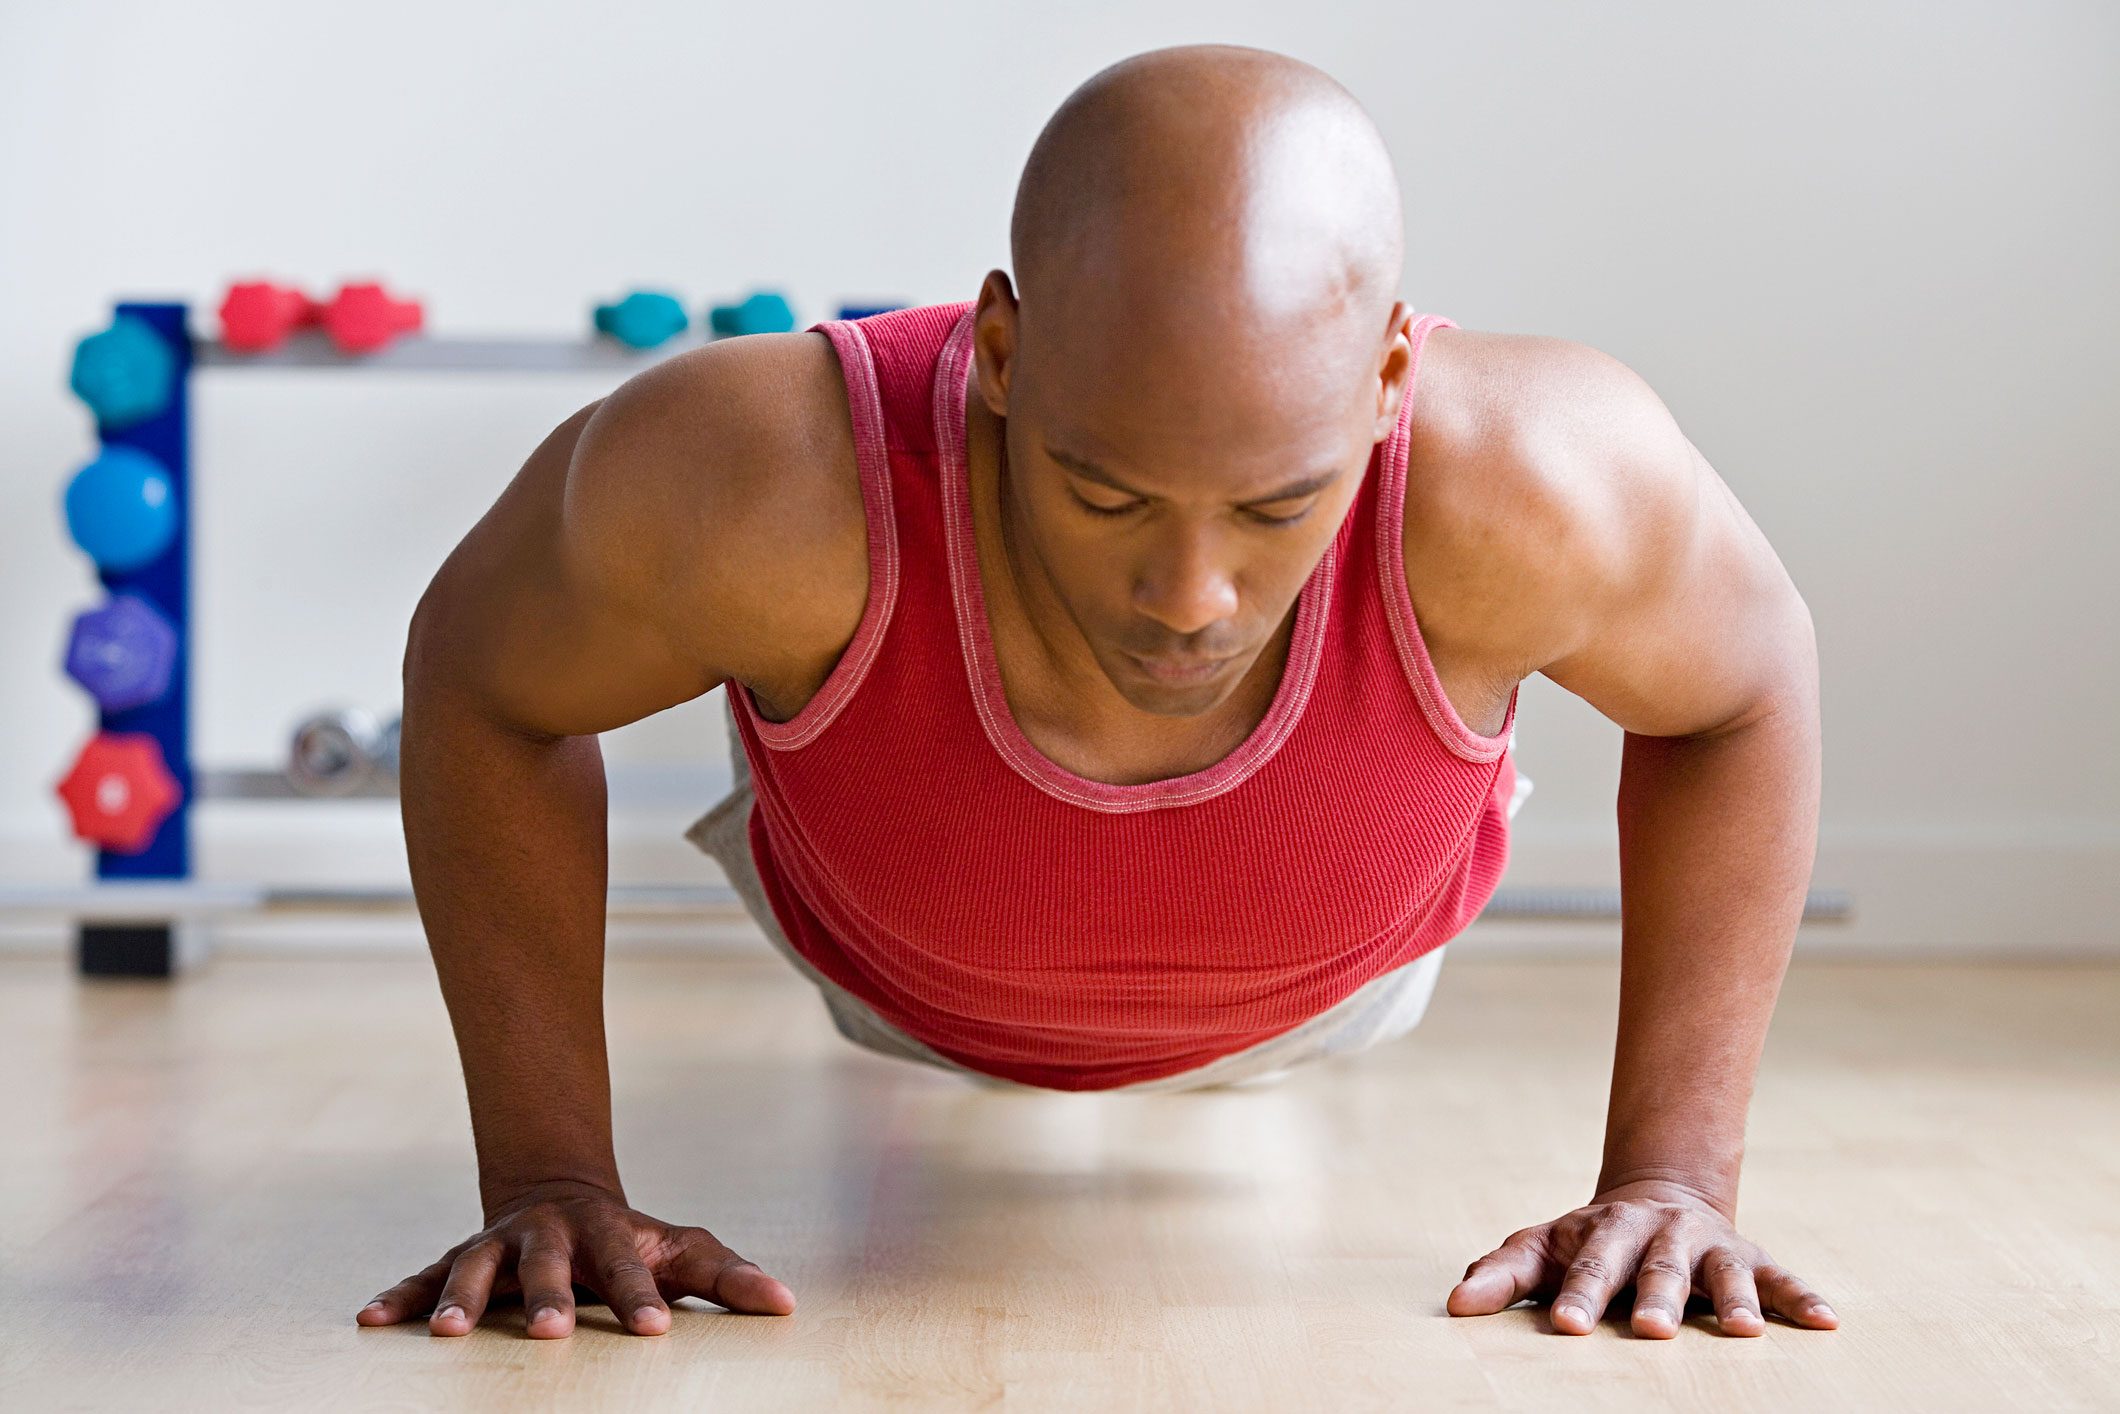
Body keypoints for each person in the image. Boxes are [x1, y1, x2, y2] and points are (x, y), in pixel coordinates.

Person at [357, 43, 1836, 1344]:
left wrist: (1674, 1175)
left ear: (1391, 382)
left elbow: (1742, 688)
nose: (1190, 597)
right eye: (1103, 490)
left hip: (1345, 981)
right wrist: (549, 1175)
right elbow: (483, 679)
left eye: (1276, 505)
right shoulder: (759, 483)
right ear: (998, 352)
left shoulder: (1540, 481)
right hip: (887, 972)